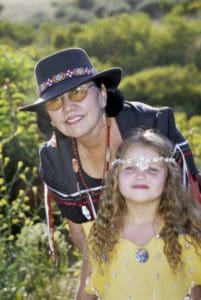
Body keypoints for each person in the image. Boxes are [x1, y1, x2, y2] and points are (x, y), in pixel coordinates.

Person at [19, 48, 201, 292]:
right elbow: (83, 239)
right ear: (50, 117)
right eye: (55, 101)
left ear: (103, 95)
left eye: (77, 92)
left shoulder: (155, 128)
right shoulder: (54, 161)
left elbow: (193, 210)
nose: (68, 107)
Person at [84, 129, 201, 300]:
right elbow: (89, 292)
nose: (140, 175)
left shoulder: (189, 233)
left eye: (152, 169)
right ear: (116, 177)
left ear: (169, 178)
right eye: (130, 167)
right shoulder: (100, 232)